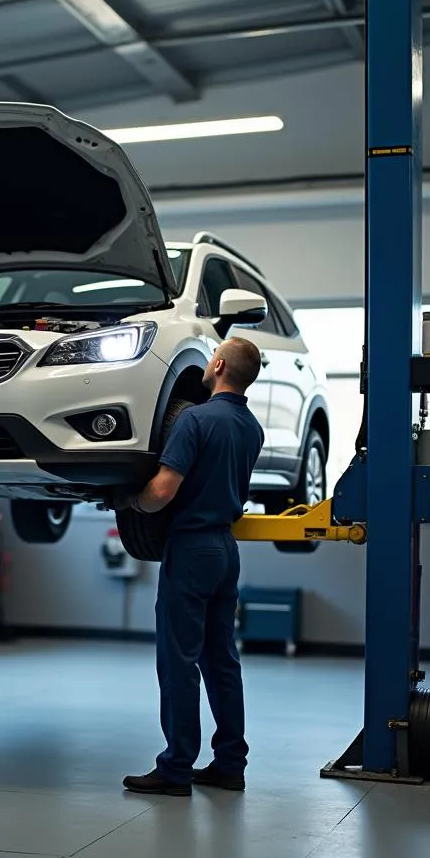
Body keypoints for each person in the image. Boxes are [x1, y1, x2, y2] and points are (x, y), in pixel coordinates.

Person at [119, 337, 265, 797]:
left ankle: (176, 768)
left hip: (192, 549)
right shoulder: (252, 428)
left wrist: (128, 503)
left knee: (179, 661)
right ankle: (229, 765)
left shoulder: (194, 419)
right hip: (225, 549)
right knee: (222, 660)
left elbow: (162, 490)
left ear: (218, 365)